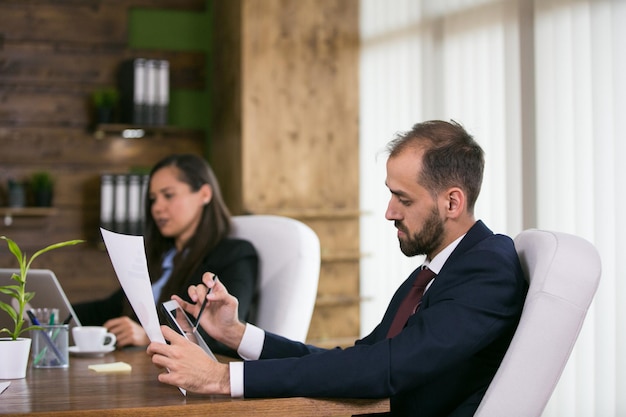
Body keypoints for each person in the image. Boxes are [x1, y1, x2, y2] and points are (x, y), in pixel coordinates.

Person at [147, 121, 528, 416]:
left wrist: (221, 377)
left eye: (403, 198)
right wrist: (238, 334)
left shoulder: (487, 269)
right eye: (390, 194)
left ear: (452, 202)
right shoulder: (434, 271)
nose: (389, 212)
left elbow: (386, 369)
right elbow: (359, 360)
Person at [74, 154, 258, 355]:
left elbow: (223, 332)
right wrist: (54, 311)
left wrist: (151, 337)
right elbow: (109, 308)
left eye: (168, 195)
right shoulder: (161, 257)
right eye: (153, 199)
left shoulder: (234, 254)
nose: (157, 208)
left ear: (204, 194)